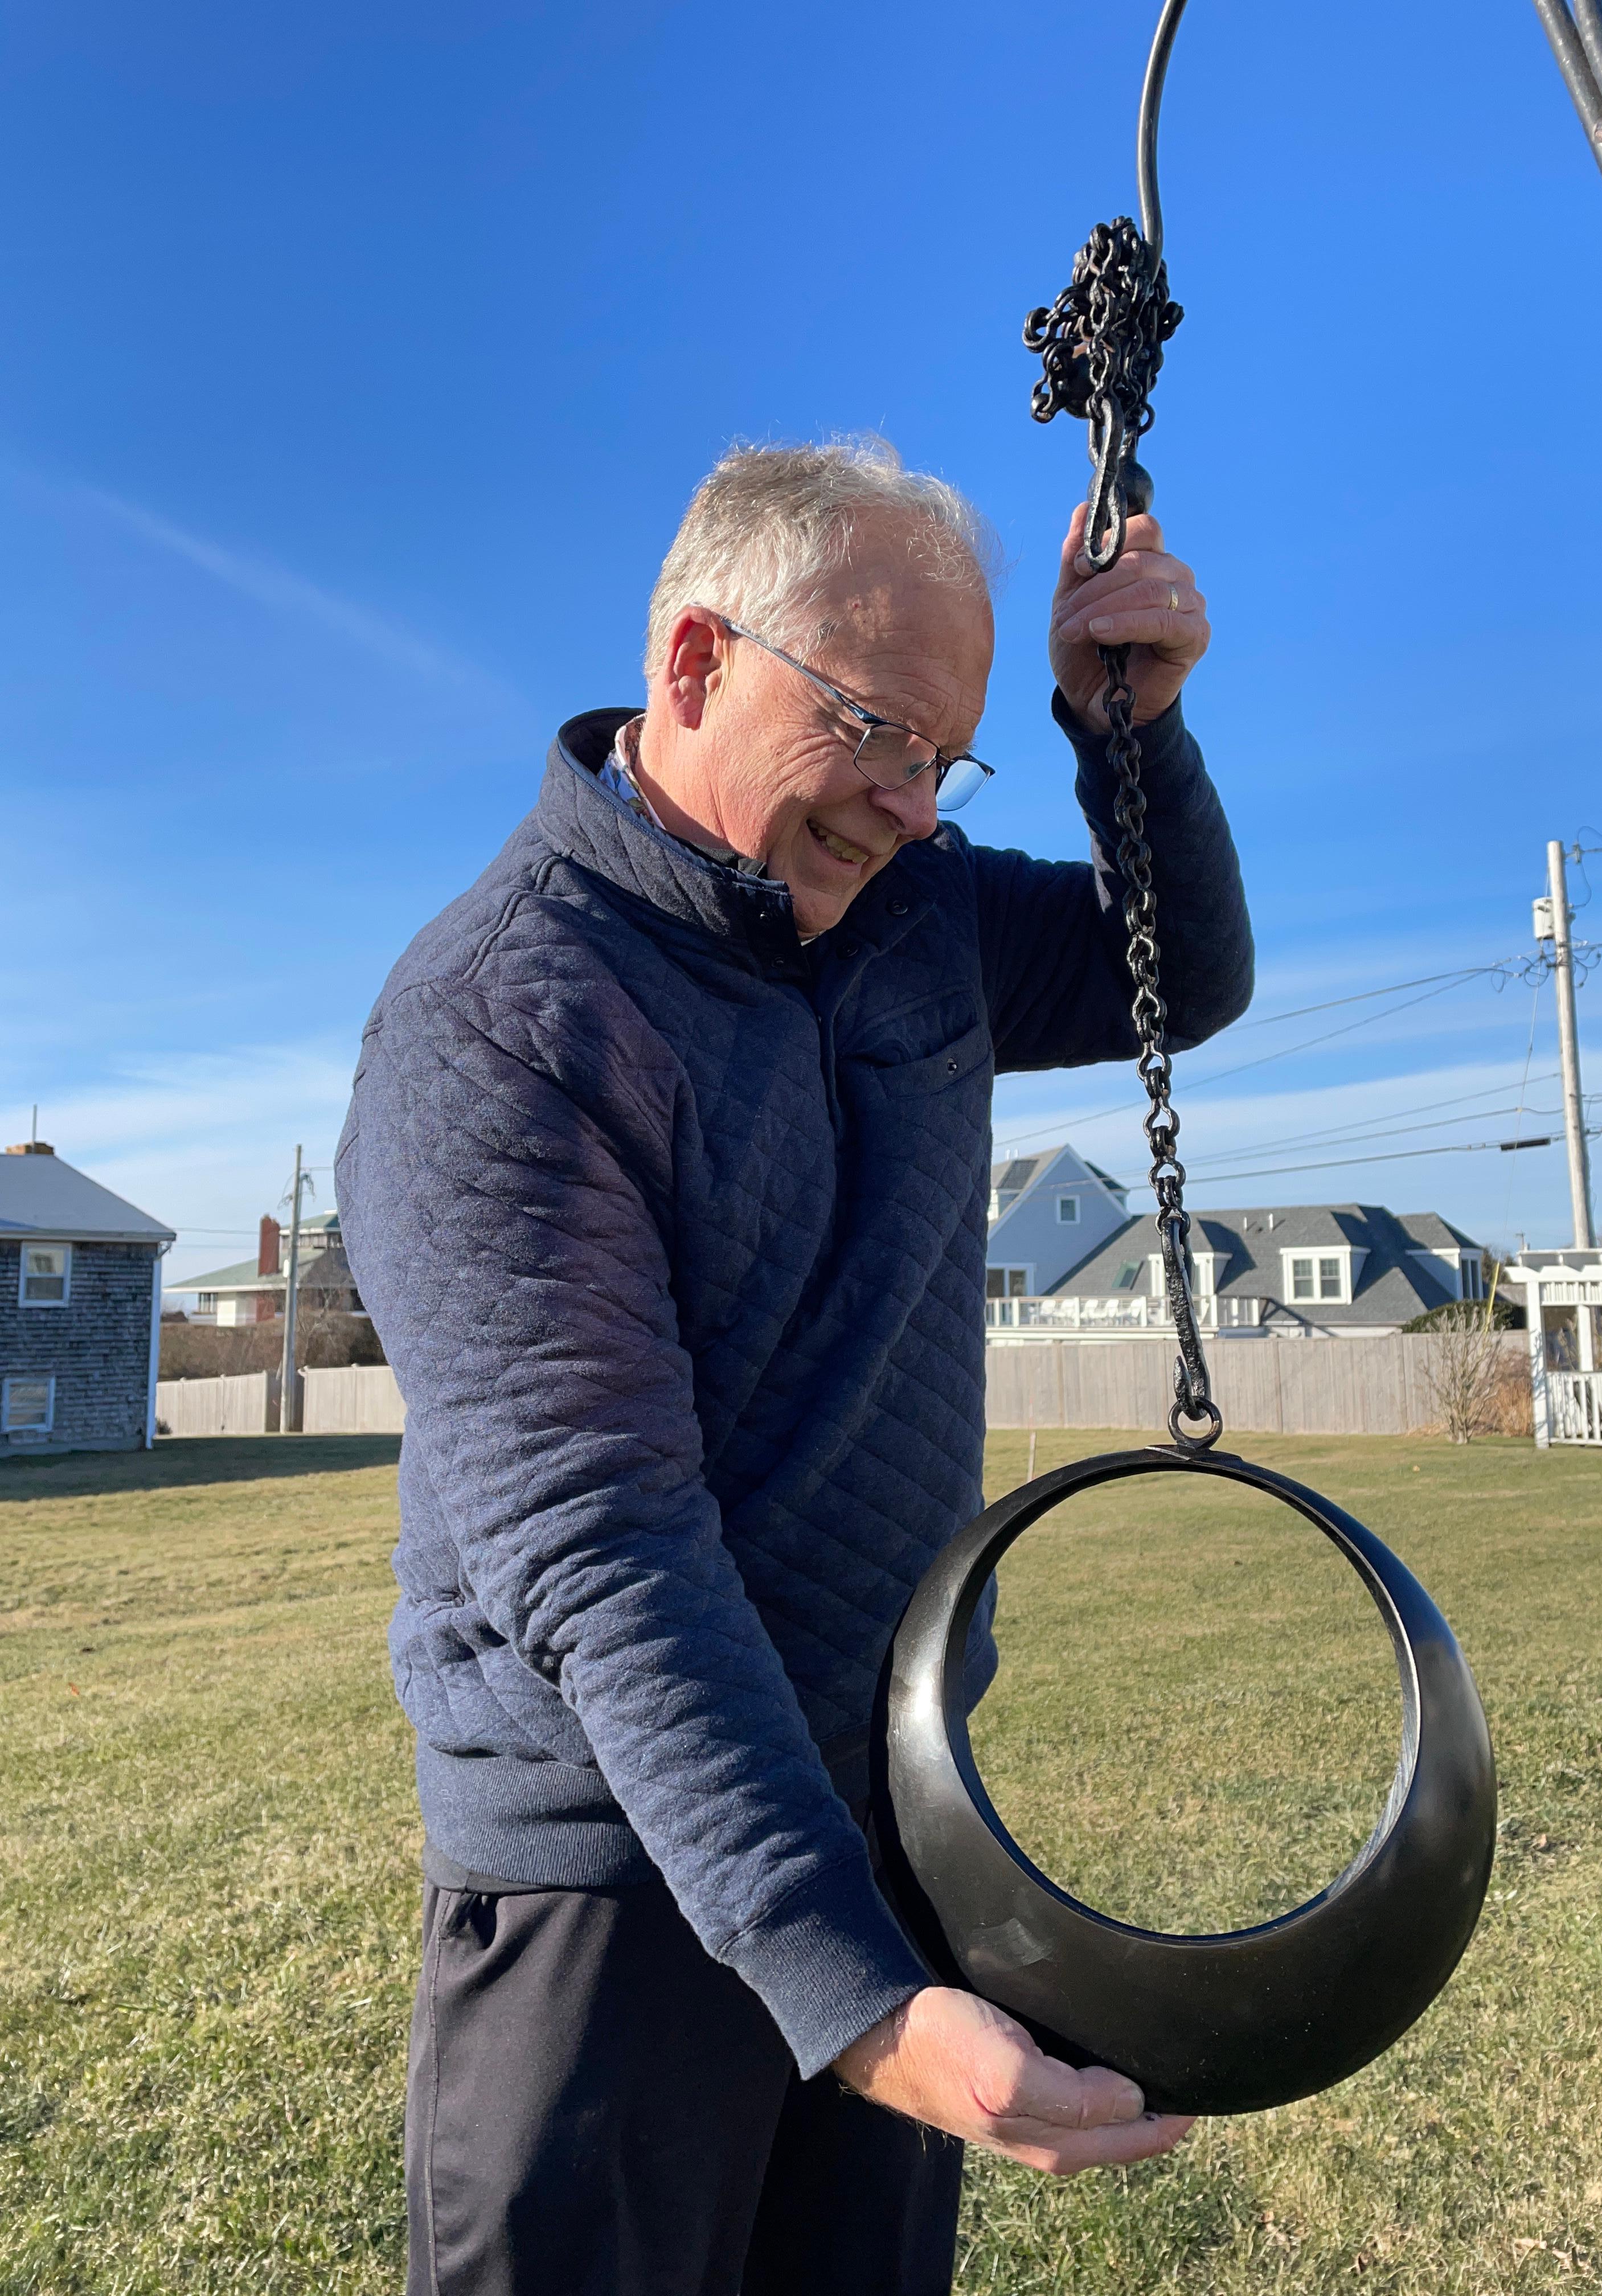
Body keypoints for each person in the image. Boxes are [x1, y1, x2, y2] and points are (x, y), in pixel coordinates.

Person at [337, 438, 1252, 2296]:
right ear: (693, 662)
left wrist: (1128, 731)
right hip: (607, 1876)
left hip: (897, 1805)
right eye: (871, 731)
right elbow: (603, 1548)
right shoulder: (502, 1019)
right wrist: (853, 2001)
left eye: (950, 752)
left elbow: (1187, 976)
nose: (911, 804)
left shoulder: (927, 911)